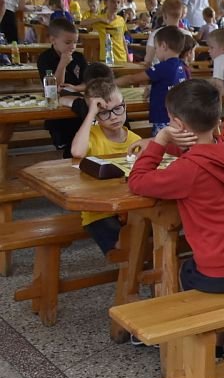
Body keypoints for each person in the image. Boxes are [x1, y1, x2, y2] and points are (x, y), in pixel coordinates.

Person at [127, 79, 224, 348]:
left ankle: (198, 342)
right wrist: (166, 144)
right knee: (206, 267)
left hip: (222, 271)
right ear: (216, 117)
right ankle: (217, 341)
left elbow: (137, 181)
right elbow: (203, 149)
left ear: (177, 124)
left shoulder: (187, 170)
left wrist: (160, 141)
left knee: (185, 269)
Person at [70, 78, 142, 255]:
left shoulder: (136, 140)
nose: (114, 116)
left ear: (125, 105)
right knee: (122, 246)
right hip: (98, 212)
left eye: (118, 108)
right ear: (96, 116)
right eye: (104, 113)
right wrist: (90, 113)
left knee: (147, 234)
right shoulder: (92, 136)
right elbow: (77, 152)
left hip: (130, 208)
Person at [116, 26, 188, 134]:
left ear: (163, 46)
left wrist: (112, 83)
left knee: (161, 142)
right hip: (178, 118)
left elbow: (132, 79)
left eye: (156, 48)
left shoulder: (162, 67)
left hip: (163, 118)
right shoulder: (182, 66)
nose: (156, 51)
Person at [37, 18, 88, 155]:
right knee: (66, 143)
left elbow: (87, 83)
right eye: (68, 42)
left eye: (75, 42)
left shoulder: (79, 57)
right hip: (57, 107)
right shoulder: (45, 58)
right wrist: (63, 64)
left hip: (79, 104)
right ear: (53, 40)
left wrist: (76, 88)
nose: (72, 46)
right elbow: (55, 88)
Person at [82, 0, 127, 64]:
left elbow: (122, 38)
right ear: (106, 3)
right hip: (106, 57)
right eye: (113, 2)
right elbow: (82, 23)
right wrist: (99, 19)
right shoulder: (100, 18)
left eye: (118, 2)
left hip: (121, 57)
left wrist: (127, 55)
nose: (116, 5)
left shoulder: (121, 20)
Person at [144, 0, 189, 68]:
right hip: (181, 72)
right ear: (181, 15)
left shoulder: (156, 34)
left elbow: (148, 60)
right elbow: (190, 59)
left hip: (159, 71)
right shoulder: (188, 34)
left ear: (164, 15)